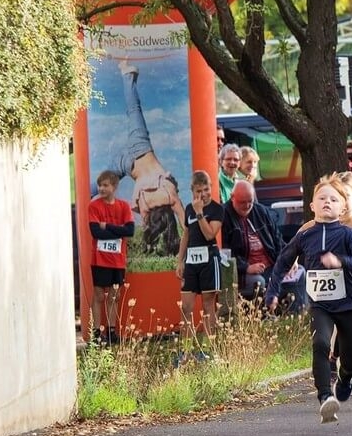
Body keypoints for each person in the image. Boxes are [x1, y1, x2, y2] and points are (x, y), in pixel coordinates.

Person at [266, 175, 352, 424]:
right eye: (322, 198)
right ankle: (325, 396)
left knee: (350, 357)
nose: (327, 202)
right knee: (320, 344)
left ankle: (346, 378)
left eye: (333, 199)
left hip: (348, 304)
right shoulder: (305, 236)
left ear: (343, 207)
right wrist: (272, 293)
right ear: (312, 205)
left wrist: (340, 261)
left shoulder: (348, 234)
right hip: (320, 304)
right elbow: (282, 262)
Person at [114, 62, 183, 257]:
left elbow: (184, 221)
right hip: (126, 165)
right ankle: (129, 76)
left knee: (134, 110)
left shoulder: (169, 195)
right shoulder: (144, 204)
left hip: (140, 148)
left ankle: (127, 74)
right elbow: (147, 227)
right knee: (97, 186)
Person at [87, 169, 135, 343]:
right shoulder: (94, 206)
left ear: (114, 187)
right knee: (99, 295)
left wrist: (106, 226)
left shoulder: (124, 206)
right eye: (100, 185)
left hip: (117, 261)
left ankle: (112, 331)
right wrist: (118, 231)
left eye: (105, 185)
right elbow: (95, 232)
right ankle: (96, 333)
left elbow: (129, 231)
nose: (101, 189)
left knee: (115, 296)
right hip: (99, 259)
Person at [176, 170, 225, 337]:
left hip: (209, 259)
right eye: (199, 191)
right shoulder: (189, 208)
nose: (203, 194)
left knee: (208, 305)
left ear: (211, 187)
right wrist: (180, 260)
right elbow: (186, 234)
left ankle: (210, 347)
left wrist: (199, 213)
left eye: (206, 189)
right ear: (192, 191)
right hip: (191, 260)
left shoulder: (217, 209)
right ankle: (186, 348)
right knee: (186, 306)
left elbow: (210, 234)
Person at [222, 179, 286, 302]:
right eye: (242, 202)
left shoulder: (261, 211)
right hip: (244, 272)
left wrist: (289, 259)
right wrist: (246, 267)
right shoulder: (224, 215)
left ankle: (295, 311)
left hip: (272, 265)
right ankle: (263, 313)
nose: (247, 206)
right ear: (232, 197)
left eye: (250, 201)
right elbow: (225, 253)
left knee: (299, 272)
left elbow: (278, 239)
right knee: (259, 282)